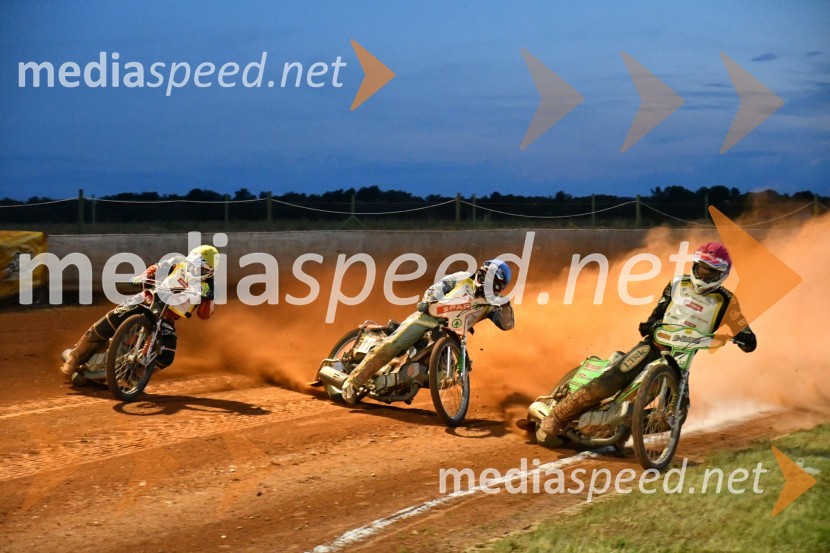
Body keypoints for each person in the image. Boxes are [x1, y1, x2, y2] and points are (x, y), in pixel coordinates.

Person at [539, 242, 757, 440]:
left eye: (711, 272)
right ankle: (556, 418)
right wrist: (650, 324)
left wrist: (746, 339)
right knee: (613, 379)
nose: (704, 274)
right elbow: (658, 312)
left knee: (676, 416)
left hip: (682, 358)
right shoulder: (677, 284)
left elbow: (744, 329)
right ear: (695, 265)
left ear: (722, 274)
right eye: (702, 268)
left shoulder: (727, 301)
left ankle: (621, 428)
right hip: (654, 345)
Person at [341, 259, 516, 404]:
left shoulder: (493, 304)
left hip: (453, 335)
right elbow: (437, 288)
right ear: (483, 274)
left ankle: (412, 379)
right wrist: (429, 301)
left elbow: (506, 325)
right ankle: (354, 382)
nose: (493, 288)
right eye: (492, 281)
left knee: (445, 375)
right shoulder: (463, 278)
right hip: (428, 318)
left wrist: (506, 306)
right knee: (394, 344)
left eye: (498, 286)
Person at [59, 245, 219, 378]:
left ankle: (132, 376)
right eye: (193, 265)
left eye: (200, 269)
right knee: (114, 318)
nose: (194, 269)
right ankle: (75, 356)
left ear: (210, 271)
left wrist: (208, 298)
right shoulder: (178, 262)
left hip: (168, 319)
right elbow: (157, 268)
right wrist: (142, 277)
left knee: (167, 355)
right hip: (149, 299)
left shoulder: (210, 286)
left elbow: (205, 316)